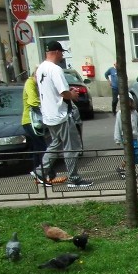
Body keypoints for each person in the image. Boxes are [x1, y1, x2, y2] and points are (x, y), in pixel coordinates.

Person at [33, 41, 93, 188]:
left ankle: (40, 171)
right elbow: (63, 93)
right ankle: (74, 178)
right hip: (61, 114)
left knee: (56, 143)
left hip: (48, 114)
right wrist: (72, 94)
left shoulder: (41, 68)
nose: (62, 56)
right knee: (71, 146)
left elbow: (51, 89)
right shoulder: (55, 69)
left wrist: (67, 91)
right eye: (62, 52)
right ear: (57, 52)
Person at [21, 68, 60, 183]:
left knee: (37, 148)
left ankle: (38, 173)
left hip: (32, 121)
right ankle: (47, 174)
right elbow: (32, 101)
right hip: (31, 121)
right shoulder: (30, 83)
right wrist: (48, 105)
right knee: (43, 148)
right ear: (36, 75)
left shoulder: (34, 84)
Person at [113, 94, 138, 179]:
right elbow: (118, 126)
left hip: (134, 138)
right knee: (129, 155)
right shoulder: (120, 113)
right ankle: (128, 171)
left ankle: (123, 169)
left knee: (135, 156)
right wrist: (118, 139)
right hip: (126, 139)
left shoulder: (134, 113)